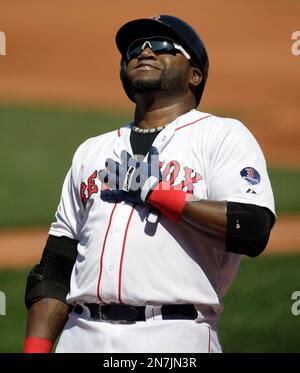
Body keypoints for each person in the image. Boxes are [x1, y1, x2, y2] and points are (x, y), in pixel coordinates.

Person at [23, 14, 276, 353]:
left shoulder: (221, 135)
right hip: (79, 336)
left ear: (195, 75)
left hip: (173, 338)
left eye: (161, 46)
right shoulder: (92, 151)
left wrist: (159, 194)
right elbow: (55, 268)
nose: (143, 51)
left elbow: (253, 229)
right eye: (132, 49)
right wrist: (36, 349)